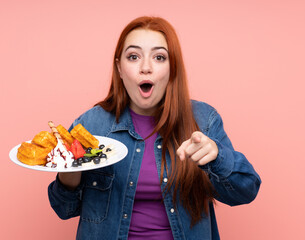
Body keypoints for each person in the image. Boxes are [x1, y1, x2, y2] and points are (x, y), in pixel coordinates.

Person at [48, 16, 261, 240]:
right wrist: (68, 171)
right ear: (120, 68)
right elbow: (64, 210)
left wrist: (217, 157)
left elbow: (246, 191)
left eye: (159, 57)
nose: (146, 68)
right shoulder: (91, 125)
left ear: (172, 69)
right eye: (133, 57)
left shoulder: (204, 120)